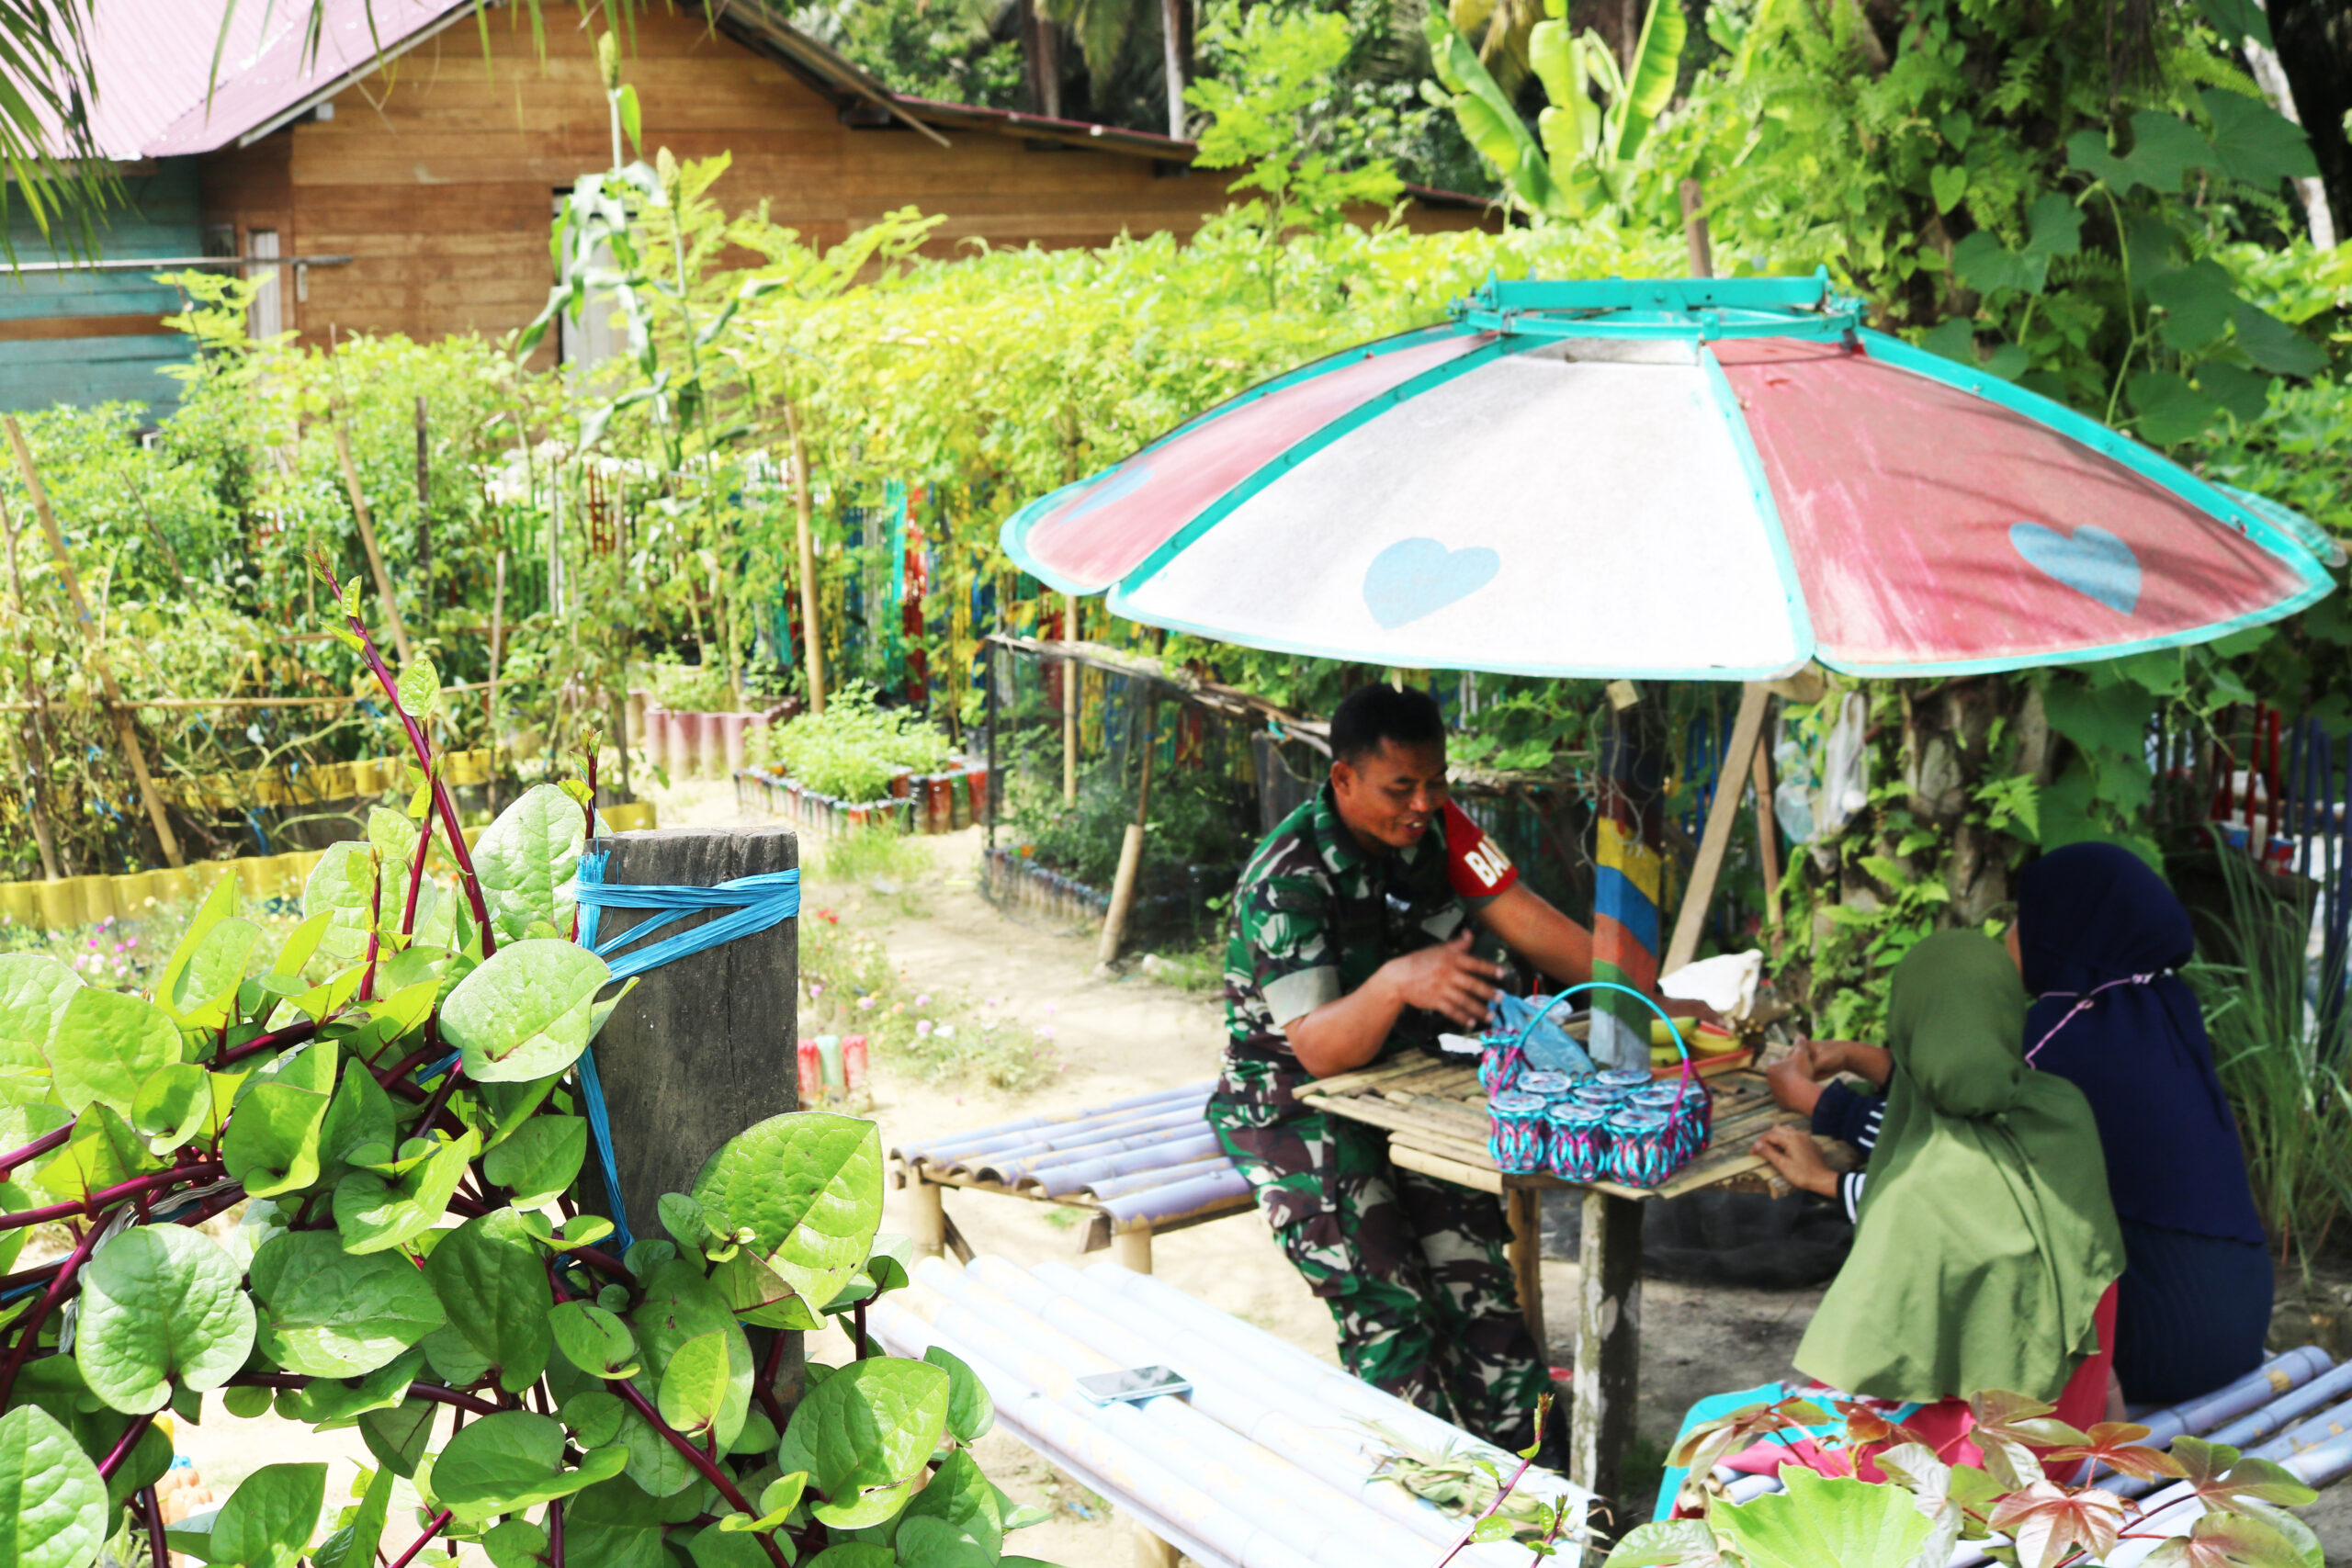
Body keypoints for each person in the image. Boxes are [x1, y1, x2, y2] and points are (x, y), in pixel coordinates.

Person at [1204, 682, 1603, 1451]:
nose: (1424, 803)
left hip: (1404, 1089)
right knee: (1389, 1307)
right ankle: (1424, 1514)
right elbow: (1319, 1048)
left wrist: (1647, 987)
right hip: (1293, 1103)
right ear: (1343, 778)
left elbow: (1527, 916)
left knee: (1476, 1283)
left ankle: (1542, 1494)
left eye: (1437, 781)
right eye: (1402, 786)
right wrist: (1398, 982)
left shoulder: (1440, 831)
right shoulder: (1285, 874)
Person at [1760, 843, 2270, 1405]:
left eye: (2026, 919)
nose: (2008, 937)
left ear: (2064, 929)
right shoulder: (2157, 1008)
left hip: (2155, 1339)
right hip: (2236, 1321)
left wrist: (1820, 1105)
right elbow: (1960, 1081)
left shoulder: (2059, 1034)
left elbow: (1950, 1152)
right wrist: (1862, 1058)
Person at [1780, 931, 2125, 1430]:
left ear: (1906, 1027)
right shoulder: (2066, 1112)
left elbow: (1867, 1368)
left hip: (1980, 1470)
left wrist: (1826, 1177)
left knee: (1713, 1421)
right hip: (2076, 1435)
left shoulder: (1917, 1189)